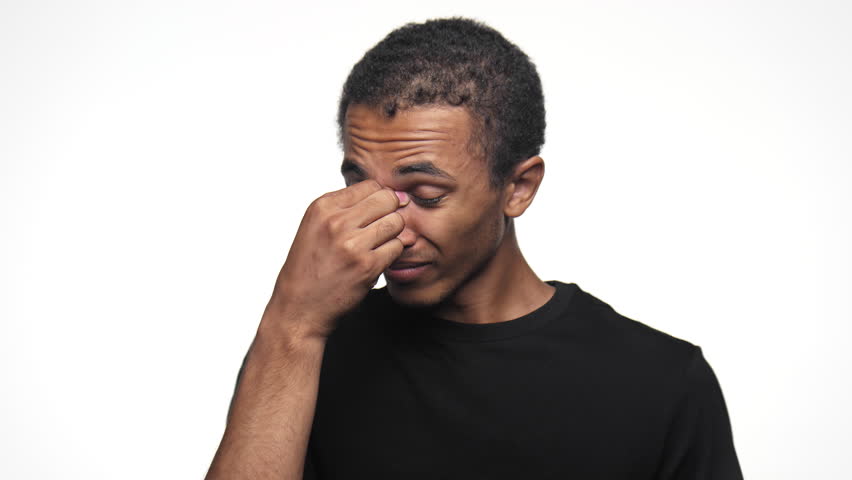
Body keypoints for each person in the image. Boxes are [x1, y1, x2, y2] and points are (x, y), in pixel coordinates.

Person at [206, 18, 743, 480]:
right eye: (361, 190)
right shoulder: (304, 349)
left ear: (518, 188)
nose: (387, 227)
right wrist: (292, 324)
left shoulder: (661, 382)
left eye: (426, 195)